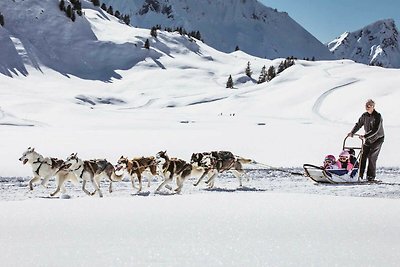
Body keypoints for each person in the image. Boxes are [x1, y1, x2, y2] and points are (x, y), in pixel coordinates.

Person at [348, 99, 384, 181]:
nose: (367, 107)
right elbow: (358, 124)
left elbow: (376, 130)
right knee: (363, 156)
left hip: (378, 139)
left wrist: (365, 136)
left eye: (369, 106)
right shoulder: (364, 115)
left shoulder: (377, 116)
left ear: (373, 107)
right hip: (368, 139)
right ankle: (359, 175)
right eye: (366, 106)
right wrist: (352, 132)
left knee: (372, 157)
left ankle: (370, 177)